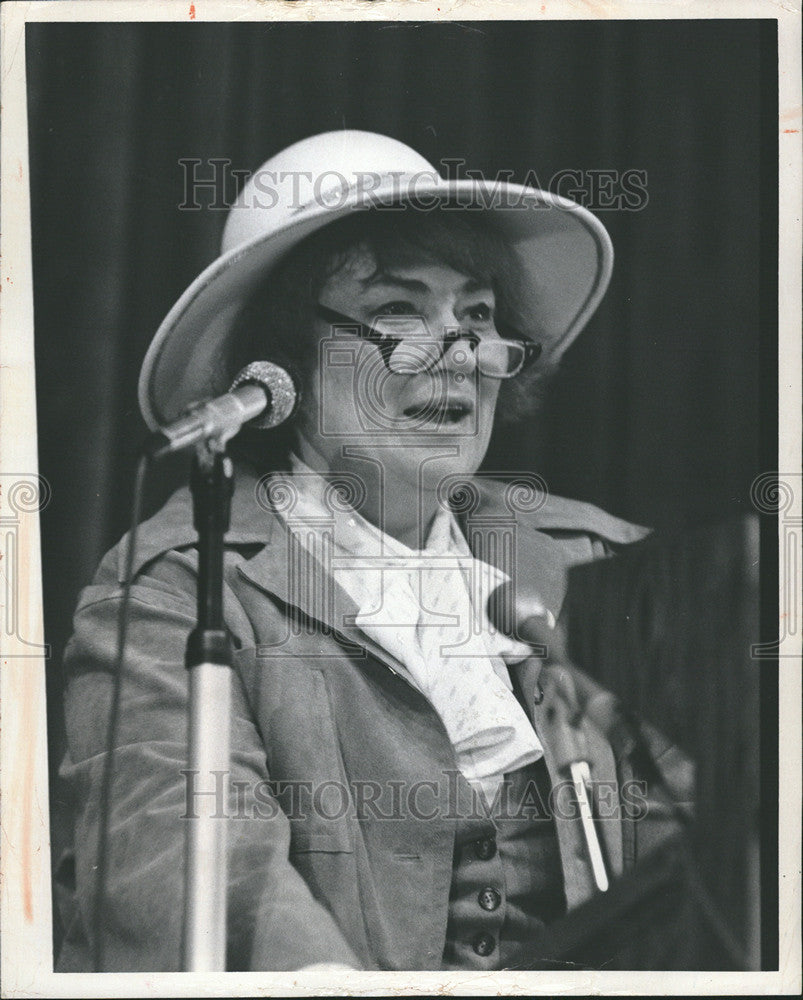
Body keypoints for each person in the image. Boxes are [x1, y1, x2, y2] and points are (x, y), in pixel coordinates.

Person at [56, 131, 693, 972]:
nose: (458, 354)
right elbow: (192, 865)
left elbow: (720, 864)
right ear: (278, 362)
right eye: (398, 313)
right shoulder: (180, 586)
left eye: (476, 317)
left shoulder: (594, 561)